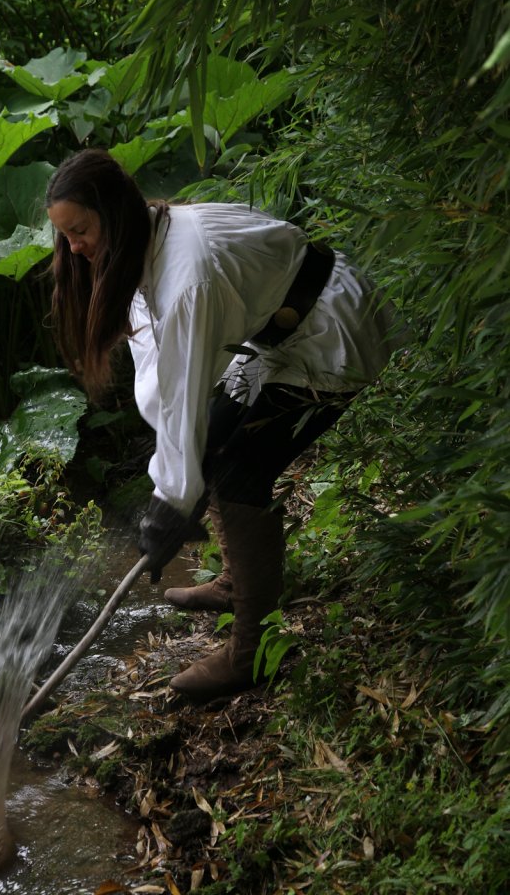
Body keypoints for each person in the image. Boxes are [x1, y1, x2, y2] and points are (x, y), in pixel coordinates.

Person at [46, 149, 398, 702]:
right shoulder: (145, 242)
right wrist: (174, 485)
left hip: (330, 333)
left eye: (81, 231)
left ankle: (251, 651)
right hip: (281, 335)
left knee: (239, 475)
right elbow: (162, 380)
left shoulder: (187, 275)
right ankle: (239, 580)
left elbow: (184, 389)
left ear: (114, 213)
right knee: (209, 442)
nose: (73, 248)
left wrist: (173, 498)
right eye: (65, 236)